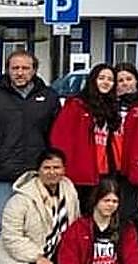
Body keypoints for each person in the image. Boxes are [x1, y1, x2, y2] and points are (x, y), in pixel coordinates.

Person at [0, 49, 60, 262]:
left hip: (36, 175)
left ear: (34, 70)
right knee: (1, 226)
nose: (20, 72)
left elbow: (56, 135)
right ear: (8, 70)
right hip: (2, 175)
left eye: (25, 68)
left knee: (37, 225)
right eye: (15, 68)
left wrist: (50, 164)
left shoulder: (48, 97)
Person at [49, 63, 120, 208]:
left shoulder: (112, 107)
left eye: (110, 79)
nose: (106, 82)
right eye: (101, 78)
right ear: (93, 80)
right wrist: (63, 167)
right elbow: (60, 138)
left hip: (106, 170)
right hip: (81, 171)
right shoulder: (76, 105)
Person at [112, 63, 138, 231]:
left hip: (134, 164)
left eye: (129, 79)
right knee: (112, 210)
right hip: (112, 165)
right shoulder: (108, 104)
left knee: (129, 212)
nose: (125, 83)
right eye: (120, 80)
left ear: (136, 81)